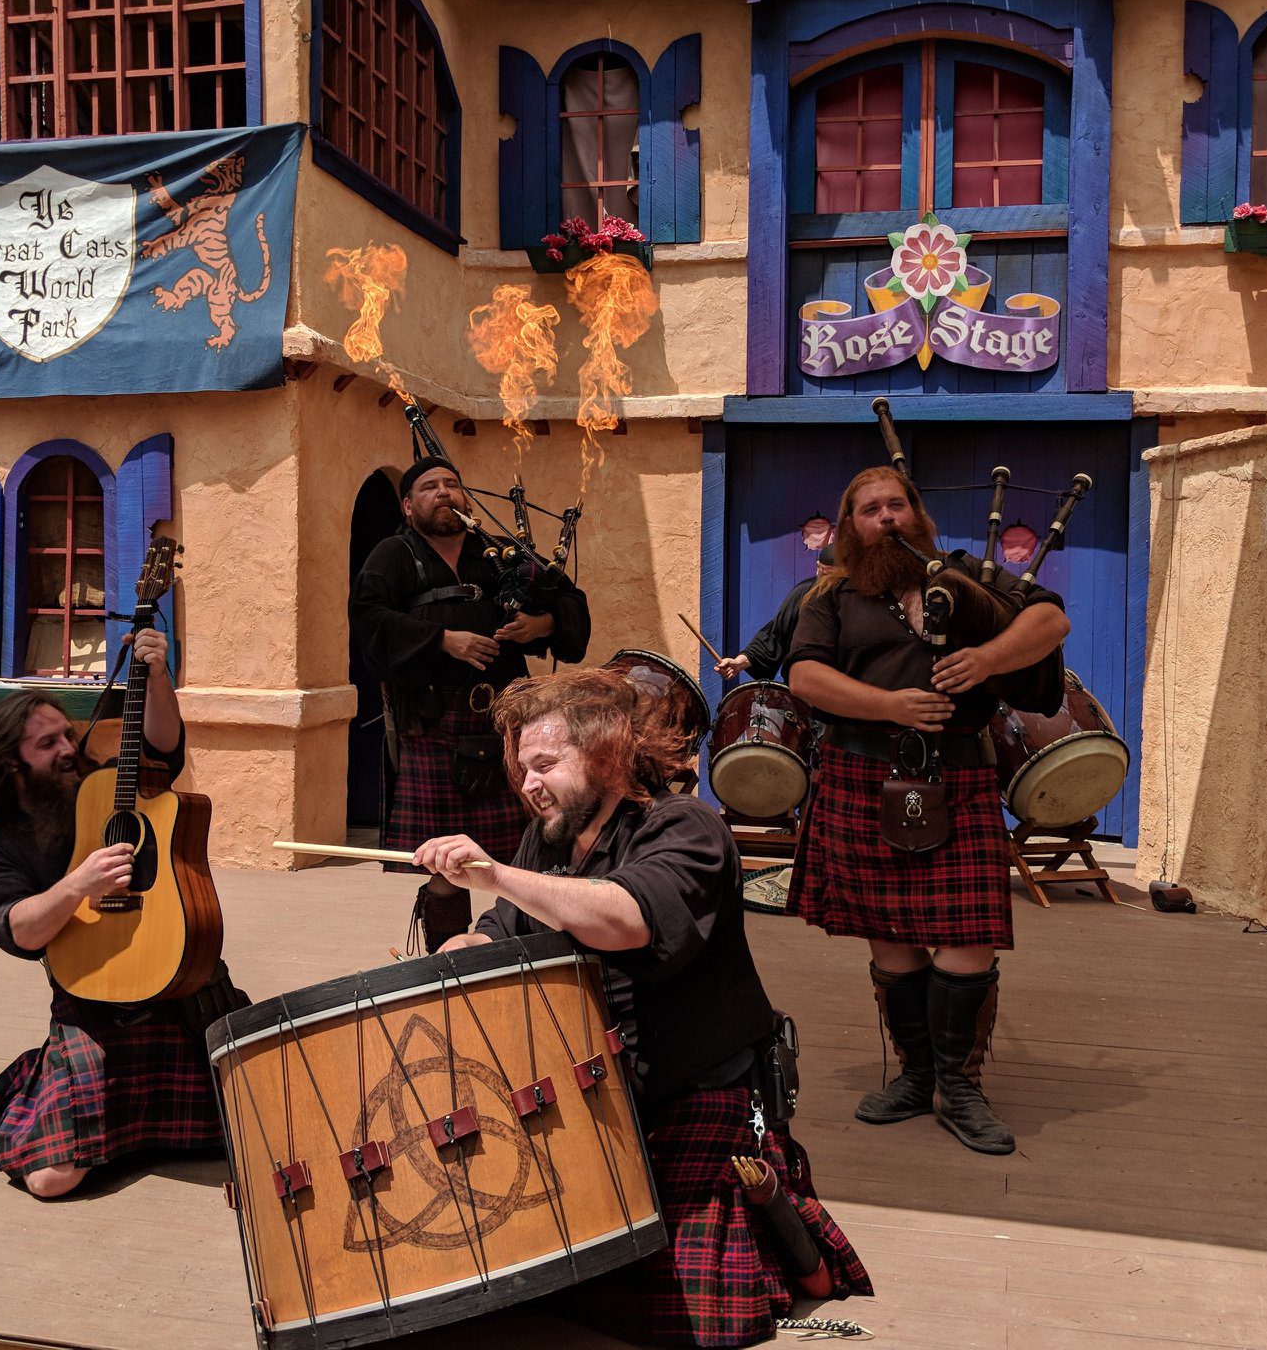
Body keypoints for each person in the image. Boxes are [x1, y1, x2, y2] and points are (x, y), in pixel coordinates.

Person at [418, 668, 871, 1348]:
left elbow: (627, 918)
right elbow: (507, 924)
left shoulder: (688, 828)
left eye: (544, 764)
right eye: (522, 769)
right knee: (514, 1271)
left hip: (696, 1091)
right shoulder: (550, 837)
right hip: (591, 1093)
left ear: (605, 753)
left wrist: (495, 872)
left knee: (684, 1314)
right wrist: (465, 939)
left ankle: (782, 1224)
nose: (528, 784)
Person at [784, 466, 1068, 1155]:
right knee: (891, 936)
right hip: (865, 771)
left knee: (968, 937)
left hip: (959, 773)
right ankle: (916, 1075)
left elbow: (1050, 619)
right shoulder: (831, 595)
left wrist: (986, 660)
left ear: (917, 514)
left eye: (897, 504)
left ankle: (958, 1085)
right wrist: (888, 705)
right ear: (852, 526)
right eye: (869, 508)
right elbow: (804, 676)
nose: (886, 517)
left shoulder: (964, 575)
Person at [0, 629, 243, 1198]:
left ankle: (137, 1130)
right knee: (49, 1180)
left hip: (184, 991)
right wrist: (78, 885)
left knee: (275, 1121)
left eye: (66, 733)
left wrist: (158, 675)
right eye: (46, 745)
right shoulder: (1, 849)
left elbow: (164, 750)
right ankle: (83, 1107)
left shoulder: (109, 784)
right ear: (10, 767)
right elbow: (16, 930)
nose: (67, 748)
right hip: (96, 1005)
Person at [351, 454, 591, 950]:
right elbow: (369, 619)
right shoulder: (393, 556)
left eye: (453, 484)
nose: (444, 493)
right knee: (445, 863)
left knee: (533, 848)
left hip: (509, 728)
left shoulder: (499, 554)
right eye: (430, 487)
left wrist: (539, 626)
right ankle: (447, 965)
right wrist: (443, 639)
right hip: (434, 726)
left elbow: (570, 602)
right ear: (408, 504)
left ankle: (528, 953)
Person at [714, 552, 829, 683]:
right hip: (804, 690)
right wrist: (739, 663)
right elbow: (775, 636)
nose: (827, 583)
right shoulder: (805, 593)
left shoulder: (853, 600)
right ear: (817, 566)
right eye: (823, 572)